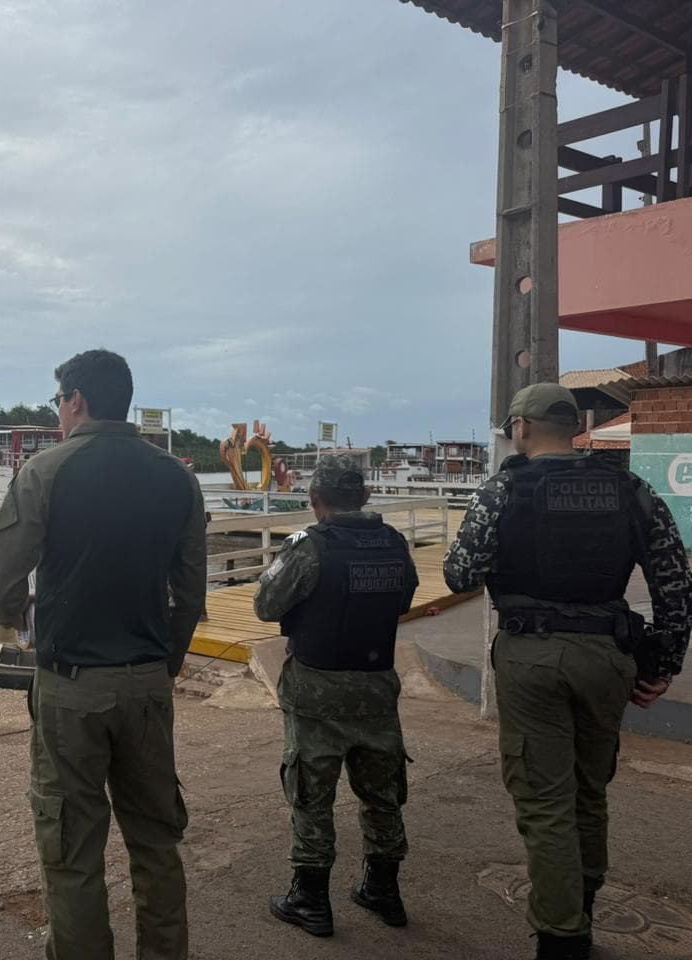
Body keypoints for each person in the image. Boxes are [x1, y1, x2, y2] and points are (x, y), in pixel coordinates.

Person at [444, 382, 690, 960]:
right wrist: (661, 662)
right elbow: (675, 584)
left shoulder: (502, 489)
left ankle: (562, 937)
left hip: (532, 657)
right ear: (574, 428)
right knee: (588, 792)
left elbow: (460, 575)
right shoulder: (630, 488)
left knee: (544, 800)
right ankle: (583, 902)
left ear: (521, 429)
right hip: (607, 655)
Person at [0, 349, 207, 960]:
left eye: (58, 401)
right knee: (156, 843)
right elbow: (190, 596)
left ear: (76, 400)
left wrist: (20, 619)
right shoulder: (178, 478)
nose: (58, 413)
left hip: (71, 686)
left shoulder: (46, 471)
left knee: (73, 850)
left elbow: (1, 584)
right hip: (147, 683)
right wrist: (164, 666)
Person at [254, 453, 419, 938]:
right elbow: (405, 599)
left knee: (311, 794)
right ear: (365, 496)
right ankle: (384, 891)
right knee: (382, 795)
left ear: (314, 498)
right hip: (375, 686)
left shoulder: (308, 547)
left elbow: (266, 605)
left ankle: (310, 900)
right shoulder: (393, 542)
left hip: (317, 689)